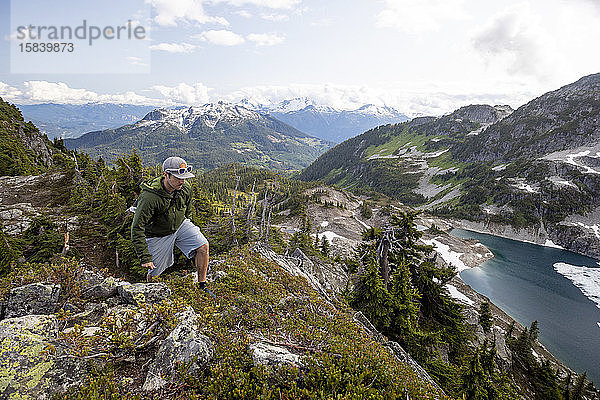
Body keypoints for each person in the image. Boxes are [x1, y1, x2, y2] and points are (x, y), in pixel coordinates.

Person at [131, 156, 210, 291]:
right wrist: (145, 257)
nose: (182, 181)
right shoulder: (150, 197)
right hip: (157, 233)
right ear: (165, 175)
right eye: (178, 178)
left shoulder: (185, 188)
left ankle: (202, 285)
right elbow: (137, 227)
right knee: (154, 272)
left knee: (203, 246)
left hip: (180, 224)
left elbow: (187, 211)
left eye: (184, 177)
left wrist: (188, 230)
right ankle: (151, 292)